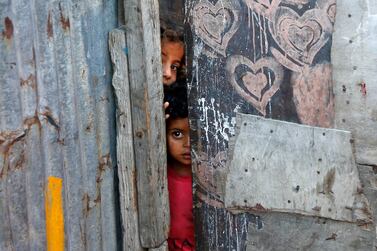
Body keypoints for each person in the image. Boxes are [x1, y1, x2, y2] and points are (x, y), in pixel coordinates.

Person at [164, 84, 195, 251]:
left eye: (195, 132)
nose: (187, 144)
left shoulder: (210, 182)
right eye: (177, 134)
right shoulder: (159, 176)